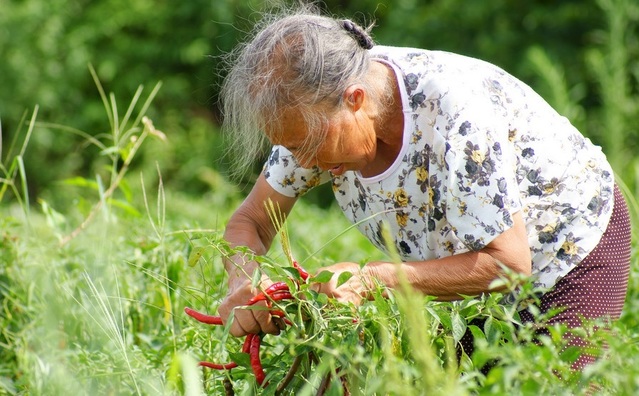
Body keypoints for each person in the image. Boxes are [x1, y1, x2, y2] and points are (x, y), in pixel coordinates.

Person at [215, 4, 631, 372]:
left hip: (565, 246)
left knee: (550, 385)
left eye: (307, 144)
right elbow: (250, 222)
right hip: (471, 276)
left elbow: (508, 264)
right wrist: (244, 281)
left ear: (355, 99)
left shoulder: (454, 114)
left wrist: (372, 279)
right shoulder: (311, 115)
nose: (302, 163)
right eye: (290, 146)